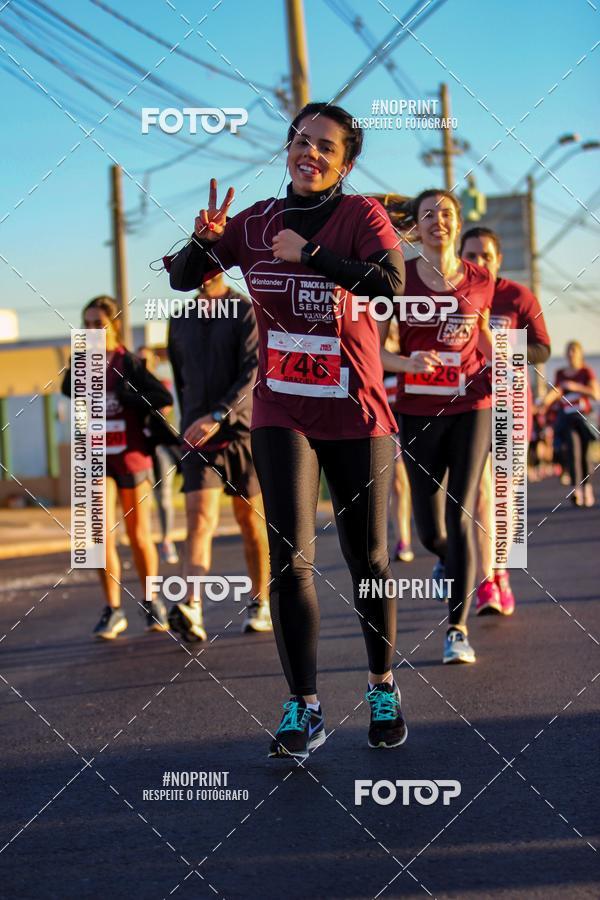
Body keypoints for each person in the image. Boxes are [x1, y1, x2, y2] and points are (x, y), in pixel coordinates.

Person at [166, 102, 407, 760]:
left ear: (345, 162)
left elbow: (389, 284)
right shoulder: (257, 221)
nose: (310, 152)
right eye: (301, 140)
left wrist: (314, 254)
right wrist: (201, 239)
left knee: (368, 561)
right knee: (291, 561)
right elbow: (187, 277)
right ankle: (304, 705)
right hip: (282, 409)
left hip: (355, 410)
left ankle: (382, 688)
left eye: (325, 146)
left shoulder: (362, 216)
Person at [380, 189, 494, 665]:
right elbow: (375, 350)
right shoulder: (398, 279)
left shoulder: (481, 280)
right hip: (417, 411)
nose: (437, 221)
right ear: (416, 227)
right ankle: (447, 559)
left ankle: (457, 629)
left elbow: (486, 333)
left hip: (471, 408)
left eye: (445, 214)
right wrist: (407, 363)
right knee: (430, 530)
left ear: (456, 221)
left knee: (461, 511)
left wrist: (498, 367)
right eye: (427, 215)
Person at [166, 273, 272, 639]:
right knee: (198, 520)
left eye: (211, 264)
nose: (205, 273)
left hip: (241, 431)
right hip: (198, 434)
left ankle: (260, 601)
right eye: (199, 265)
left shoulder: (246, 311)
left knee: (250, 523)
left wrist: (220, 414)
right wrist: (193, 421)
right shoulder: (179, 318)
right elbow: (182, 380)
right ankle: (191, 606)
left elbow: (253, 372)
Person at [61, 296, 173, 639]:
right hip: (95, 456)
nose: (92, 329)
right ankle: (113, 610)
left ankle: (152, 602)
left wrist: (131, 399)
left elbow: (163, 399)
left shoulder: (130, 363)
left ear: (114, 325)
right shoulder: (80, 362)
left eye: (99, 323)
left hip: (130, 455)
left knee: (139, 535)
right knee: (97, 536)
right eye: (87, 323)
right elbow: (69, 391)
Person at [460, 226, 551, 616]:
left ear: (498, 260)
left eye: (486, 255)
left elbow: (543, 349)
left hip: (510, 402)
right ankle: (486, 579)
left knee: (506, 495)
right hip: (466, 404)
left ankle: (501, 573)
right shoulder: (453, 293)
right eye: (472, 255)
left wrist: (504, 349)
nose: (479, 262)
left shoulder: (517, 296)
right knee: (479, 495)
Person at [540, 341, 599, 507]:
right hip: (567, 418)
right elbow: (555, 391)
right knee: (573, 452)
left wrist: (575, 387)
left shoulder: (586, 372)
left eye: (574, 351)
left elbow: (595, 394)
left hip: (584, 418)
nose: (571, 354)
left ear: (580, 353)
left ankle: (587, 489)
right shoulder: (560, 373)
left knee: (585, 455)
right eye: (569, 351)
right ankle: (577, 490)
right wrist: (545, 402)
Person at [137, 346, 180, 566]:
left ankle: (168, 539)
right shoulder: (135, 384)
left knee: (168, 494)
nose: (143, 364)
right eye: (139, 360)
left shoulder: (164, 383)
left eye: (147, 360)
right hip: (149, 445)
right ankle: (159, 539)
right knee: (154, 494)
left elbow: (165, 407)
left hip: (171, 443)